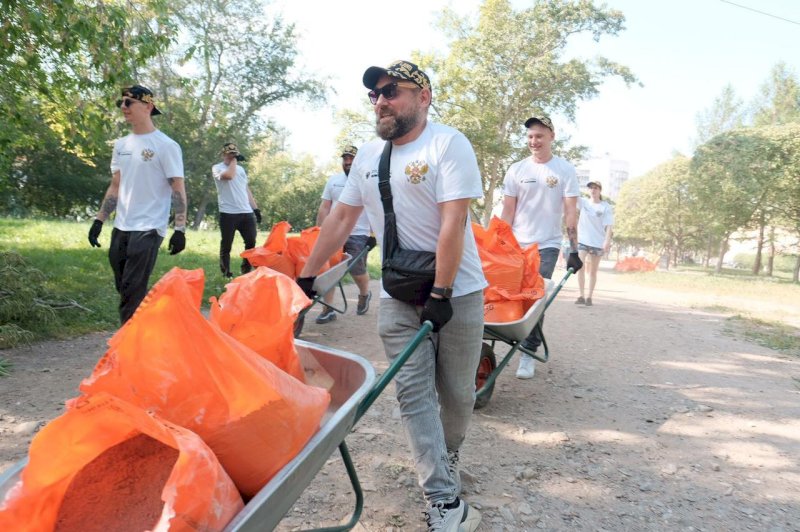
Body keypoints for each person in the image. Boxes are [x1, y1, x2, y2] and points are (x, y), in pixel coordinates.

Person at [296, 60, 485, 532]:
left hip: (457, 292)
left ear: (423, 97)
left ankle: (448, 454)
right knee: (412, 392)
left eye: (391, 91)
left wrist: (442, 292)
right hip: (399, 293)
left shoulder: (447, 143)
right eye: (375, 95)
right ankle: (443, 500)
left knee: (458, 397)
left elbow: (452, 222)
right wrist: (306, 279)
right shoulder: (366, 157)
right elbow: (340, 220)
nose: (381, 101)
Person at [87, 84, 187, 324]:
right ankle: (149, 328)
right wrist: (99, 220)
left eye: (128, 102)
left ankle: (127, 348)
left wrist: (180, 229)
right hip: (122, 225)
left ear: (148, 106)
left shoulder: (166, 146)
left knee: (131, 290)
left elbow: (177, 188)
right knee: (124, 286)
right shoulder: (122, 145)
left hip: (150, 227)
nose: (123, 107)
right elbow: (116, 185)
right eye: (121, 103)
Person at [500, 115, 582, 380]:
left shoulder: (564, 170)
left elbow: (571, 211)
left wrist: (573, 250)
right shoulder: (516, 170)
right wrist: (500, 244)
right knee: (505, 296)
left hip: (545, 245)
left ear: (551, 136)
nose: (534, 141)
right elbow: (507, 211)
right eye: (530, 137)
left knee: (534, 297)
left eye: (539, 136)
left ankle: (528, 350)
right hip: (515, 244)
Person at [314, 145, 374, 324]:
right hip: (333, 233)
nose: (347, 162)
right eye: (345, 159)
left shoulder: (367, 182)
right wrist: (319, 230)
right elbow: (325, 207)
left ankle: (364, 294)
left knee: (357, 270)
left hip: (358, 234)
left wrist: (373, 235)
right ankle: (328, 309)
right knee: (328, 271)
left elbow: (374, 209)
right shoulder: (333, 181)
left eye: (351, 159)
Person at [211, 142, 261, 278]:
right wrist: (234, 161)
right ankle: (226, 272)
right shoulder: (217, 168)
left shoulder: (240, 170)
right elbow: (228, 176)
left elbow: (246, 189)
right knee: (227, 244)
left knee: (251, 243)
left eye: (234, 155)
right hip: (228, 213)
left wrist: (255, 209)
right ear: (223, 155)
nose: (232, 157)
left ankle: (246, 270)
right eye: (229, 155)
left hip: (246, 212)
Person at [576, 181, 614, 306]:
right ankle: (581, 295)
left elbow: (609, 225)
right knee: (580, 266)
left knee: (593, 271)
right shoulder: (583, 202)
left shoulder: (605, 206)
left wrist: (607, 240)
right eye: (591, 188)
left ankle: (589, 297)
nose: (593, 190)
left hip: (597, 242)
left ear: (600, 190)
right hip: (583, 240)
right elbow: (570, 194)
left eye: (596, 188)